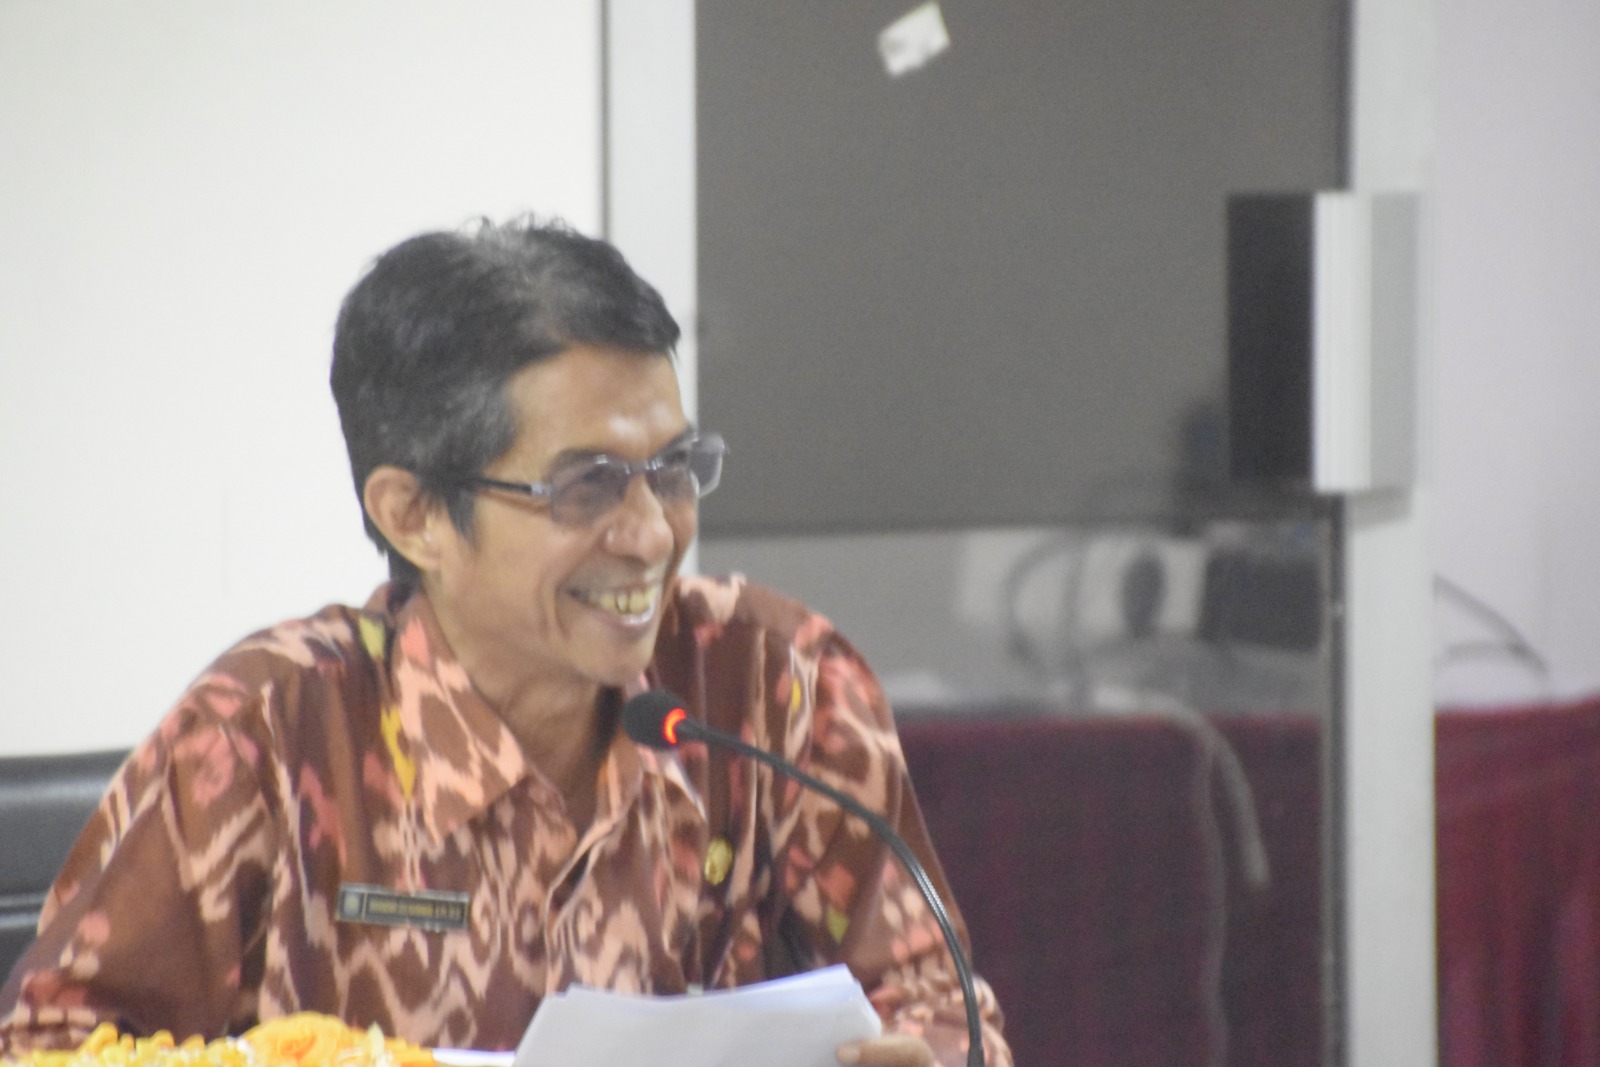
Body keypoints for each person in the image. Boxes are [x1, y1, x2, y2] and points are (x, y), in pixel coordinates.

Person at [0, 218, 1009, 1067]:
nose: (651, 534)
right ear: (413, 516)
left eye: (671, 468)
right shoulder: (265, 734)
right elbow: (48, 1048)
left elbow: (946, 1012)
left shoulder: (775, 683)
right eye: (586, 486)